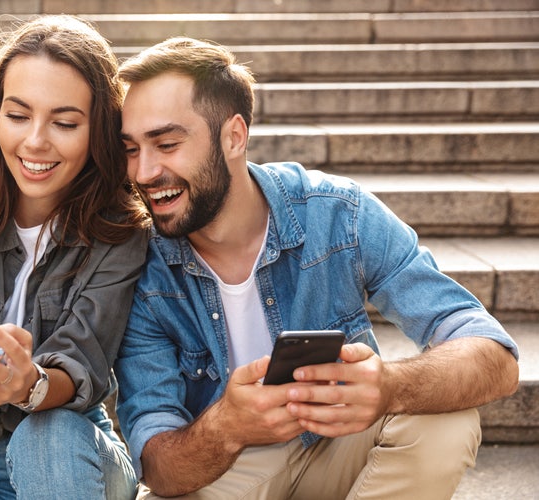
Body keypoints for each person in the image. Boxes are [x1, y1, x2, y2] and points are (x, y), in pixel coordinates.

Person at [114, 37, 520, 499]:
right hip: (230, 467)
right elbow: (157, 465)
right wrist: (227, 426)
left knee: (447, 420)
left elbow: (494, 356)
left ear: (234, 136)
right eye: (131, 149)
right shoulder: (141, 268)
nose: (144, 172)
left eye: (166, 143)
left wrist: (389, 386)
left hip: (340, 446)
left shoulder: (336, 213)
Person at [0, 15, 149, 499]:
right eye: (18, 116)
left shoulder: (120, 235)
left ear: (98, 130)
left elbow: (85, 369)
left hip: (74, 445)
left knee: (47, 436)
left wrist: (26, 383)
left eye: (64, 122)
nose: (36, 140)